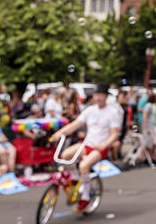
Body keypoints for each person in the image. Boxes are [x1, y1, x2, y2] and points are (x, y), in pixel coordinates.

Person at [48, 84, 120, 212]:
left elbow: (115, 134)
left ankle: (85, 198)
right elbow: (75, 125)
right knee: (65, 155)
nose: (97, 98)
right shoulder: (90, 110)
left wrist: (104, 145)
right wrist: (59, 133)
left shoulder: (112, 112)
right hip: (88, 144)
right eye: (96, 95)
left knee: (83, 166)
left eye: (100, 95)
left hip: (100, 148)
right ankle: (76, 178)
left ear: (106, 96)